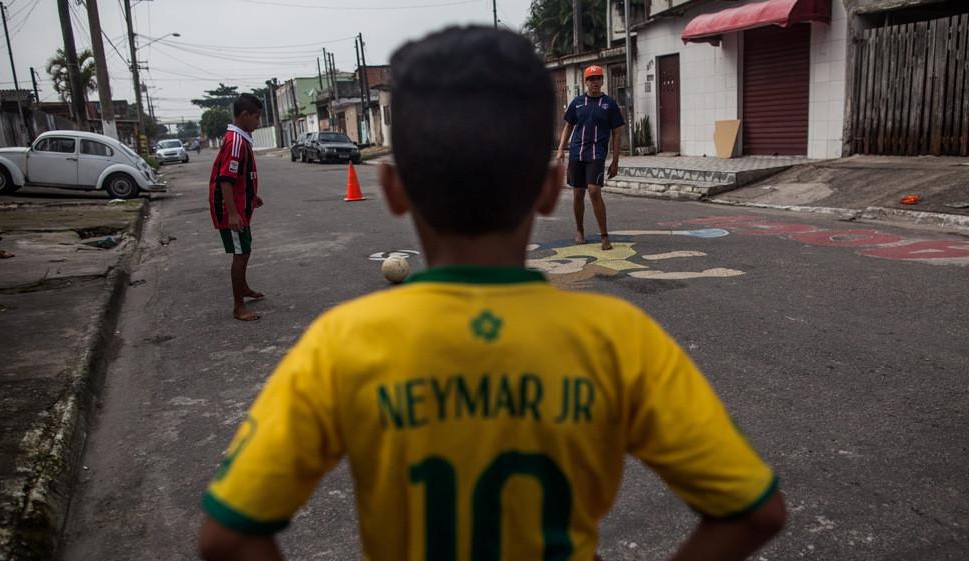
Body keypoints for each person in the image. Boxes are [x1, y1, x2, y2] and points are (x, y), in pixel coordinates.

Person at [198, 27, 785, 561]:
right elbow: (754, 511)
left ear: (394, 191)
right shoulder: (620, 339)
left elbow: (229, 533)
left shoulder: (340, 345)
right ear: (552, 190)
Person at [208, 93, 265, 321]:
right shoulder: (236, 142)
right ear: (244, 115)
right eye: (257, 117)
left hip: (241, 207)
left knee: (245, 250)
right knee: (240, 254)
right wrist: (232, 213)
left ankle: (244, 289)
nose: (258, 122)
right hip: (232, 212)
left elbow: (240, 177)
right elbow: (225, 179)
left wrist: (252, 196)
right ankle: (238, 306)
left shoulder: (240, 139)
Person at [557, 64, 625, 250]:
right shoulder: (577, 103)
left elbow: (617, 133)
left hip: (597, 153)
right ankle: (579, 229)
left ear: (602, 81)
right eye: (591, 79)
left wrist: (616, 161)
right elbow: (569, 126)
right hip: (577, 152)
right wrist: (561, 148)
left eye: (598, 78)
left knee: (594, 191)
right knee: (578, 193)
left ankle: (604, 235)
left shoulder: (609, 104)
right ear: (585, 82)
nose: (595, 82)